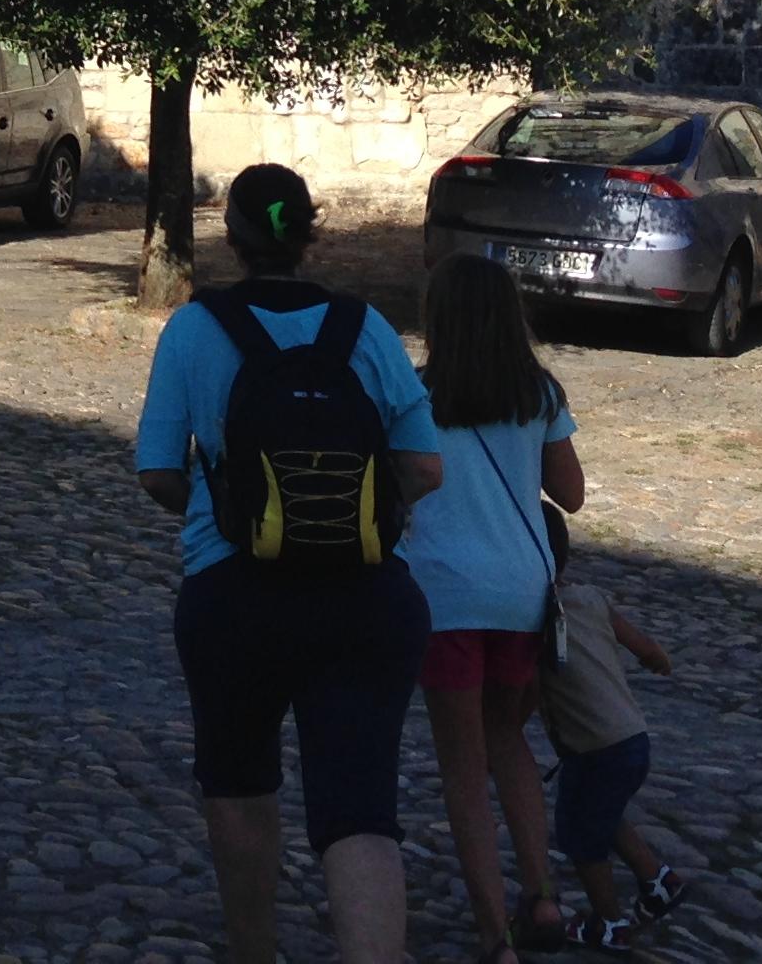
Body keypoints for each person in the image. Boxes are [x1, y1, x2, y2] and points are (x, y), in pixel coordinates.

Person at [135, 165, 445, 964]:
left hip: (235, 592)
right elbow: (425, 466)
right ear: (309, 235)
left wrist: (241, 507)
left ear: (232, 235)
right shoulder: (365, 328)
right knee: (361, 812)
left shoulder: (196, 329)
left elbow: (160, 472)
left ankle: (253, 952)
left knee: (239, 783)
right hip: (366, 596)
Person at [407, 252, 587, 964]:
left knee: (462, 765)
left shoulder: (414, 396)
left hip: (443, 597)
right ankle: (541, 893)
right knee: (510, 741)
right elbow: (569, 494)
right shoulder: (539, 395)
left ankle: (492, 934)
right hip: (522, 595)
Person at [539, 509, 687, 951]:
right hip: (632, 739)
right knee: (604, 815)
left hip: (593, 750)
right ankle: (657, 880)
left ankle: (609, 922)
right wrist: (657, 658)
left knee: (580, 834)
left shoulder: (536, 619)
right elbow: (640, 642)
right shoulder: (591, 597)